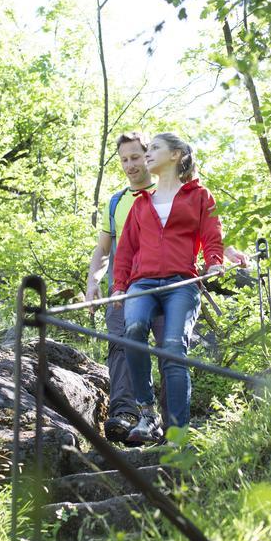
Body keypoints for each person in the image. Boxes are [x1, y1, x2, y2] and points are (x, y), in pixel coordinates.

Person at [111, 132, 224, 445]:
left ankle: (176, 433)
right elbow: (125, 252)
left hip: (180, 282)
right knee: (132, 330)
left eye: (155, 149)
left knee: (173, 349)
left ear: (175, 155)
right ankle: (147, 414)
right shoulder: (140, 204)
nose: (148, 154)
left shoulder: (200, 196)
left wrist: (214, 261)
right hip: (142, 282)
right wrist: (119, 286)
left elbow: (212, 235)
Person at [85, 132, 164, 443]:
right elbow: (103, 248)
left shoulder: (167, 193)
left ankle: (170, 426)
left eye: (136, 157)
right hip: (121, 288)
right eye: (124, 160)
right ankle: (125, 414)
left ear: (148, 156)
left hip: (163, 285)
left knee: (167, 350)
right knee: (120, 346)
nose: (131, 165)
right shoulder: (116, 202)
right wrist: (92, 281)